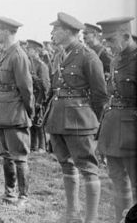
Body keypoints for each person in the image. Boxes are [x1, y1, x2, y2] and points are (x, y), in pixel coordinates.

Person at [44, 12, 108, 223]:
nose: (52, 33)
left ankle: (90, 218)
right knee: (66, 164)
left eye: (56, 29)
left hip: (79, 121)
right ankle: (72, 214)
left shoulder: (88, 56)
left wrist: (93, 123)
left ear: (68, 31)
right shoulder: (62, 54)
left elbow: (100, 95)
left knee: (88, 168)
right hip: (59, 119)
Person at [0, 16, 34, 207]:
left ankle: (23, 196)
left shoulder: (18, 55)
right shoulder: (6, 53)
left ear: (8, 32)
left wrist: (28, 112)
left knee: (19, 156)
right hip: (2, 111)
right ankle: (9, 193)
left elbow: (26, 88)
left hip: (15, 112)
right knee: (6, 155)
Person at [96, 17, 137, 222]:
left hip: (132, 133)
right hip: (113, 129)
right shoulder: (114, 61)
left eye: (111, 40)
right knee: (117, 181)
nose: (108, 45)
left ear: (127, 36)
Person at [26, 39, 50, 153]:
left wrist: (41, 100)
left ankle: (42, 146)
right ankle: (33, 146)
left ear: (36, 51)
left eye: (29, 49)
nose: (27, 51)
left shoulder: (42, 66)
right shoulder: (28, 63)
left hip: (39, 96)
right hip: (31, 95)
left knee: (39, 122)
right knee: (32, 122)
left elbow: (45, 85)